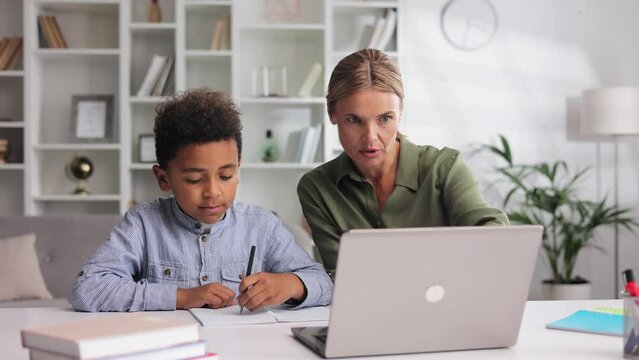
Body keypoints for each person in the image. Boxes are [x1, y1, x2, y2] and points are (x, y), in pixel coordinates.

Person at [69, 88, 333, 312]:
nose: (213, 191)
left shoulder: (262, 226)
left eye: (226, 175)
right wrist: (182, 297)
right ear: (163, 179)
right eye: (195, 180)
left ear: (238, 170)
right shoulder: (142, 225)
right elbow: (88, 288)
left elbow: (324, 284)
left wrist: (291, 284)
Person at [297, 49, 509, 272]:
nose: (370, 137)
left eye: (385, 118)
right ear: (332, 113)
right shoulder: (317, 187)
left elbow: (496, 234)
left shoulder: (445, 168)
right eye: (354, 120)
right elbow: (337, 276)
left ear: (401, 113)